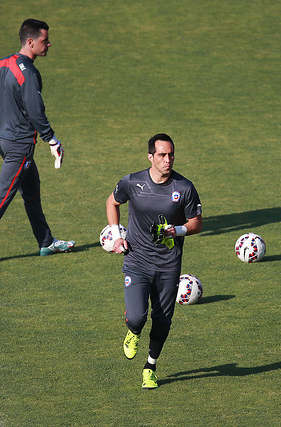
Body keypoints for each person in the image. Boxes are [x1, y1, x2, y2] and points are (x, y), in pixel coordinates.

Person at [0, 19, 74, 264]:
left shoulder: (0, 65)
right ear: (31, 42)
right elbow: (36, 112)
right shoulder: (30, 73)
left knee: (32, 191)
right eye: (45, 41)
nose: (49, 44)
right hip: (19, 146)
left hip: (3, 141)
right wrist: (52, 140)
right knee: (1, 197)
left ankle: (46, 242)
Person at [106, 133, 203, 389]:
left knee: (162, 321)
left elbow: (196, 223)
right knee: (138, 317)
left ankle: (150, 366)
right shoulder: (133, 182)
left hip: (169, 266)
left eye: (171, 154)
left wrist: (178, 230)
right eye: (162, 155)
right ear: (151, 157)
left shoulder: (184, 188)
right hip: (136, 261)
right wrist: (117, 237)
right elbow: (112, 202)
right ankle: (133, 332)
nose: (167, 160)